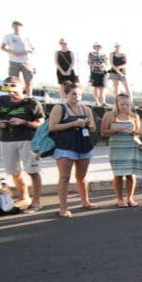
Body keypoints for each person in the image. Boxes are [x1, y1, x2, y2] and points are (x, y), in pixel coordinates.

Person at [0, 76, 44, 211]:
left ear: (22, 87)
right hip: (7, 139)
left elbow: (41, 124)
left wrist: (24, 122)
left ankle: (37, 201)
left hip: (27, 139)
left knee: (33, 171)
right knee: (14, 171)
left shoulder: (32, 103)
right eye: (8, 88)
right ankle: (24, 196)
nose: (11, 93)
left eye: (14, 88)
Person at [49, 82, 97, 218]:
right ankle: (63, 207)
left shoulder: (86, 109)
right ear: (66, 94)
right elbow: (52, 127)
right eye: (73, 94)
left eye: (79, 94)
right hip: (65, 146)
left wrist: (89, 124)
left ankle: (85, 201)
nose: (77, 96)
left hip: (83, 145)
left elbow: (93, 129)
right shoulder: (59, 108)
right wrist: (73, 124)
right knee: (64, 177)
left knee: (81, 176)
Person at [100, 93, 142, 208]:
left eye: (127, 104)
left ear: (130, 104)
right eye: (122, 104)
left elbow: (139, 133)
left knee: (130, 174)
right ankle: (119, 199)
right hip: (116, 148)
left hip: (130, 147)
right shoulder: (110, 115)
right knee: (118, 174)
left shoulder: (134, 116)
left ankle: (130, 198)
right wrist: (116, 129)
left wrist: (132, 132)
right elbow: (103, 131)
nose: (124, 107)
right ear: (117, 104)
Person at [1, 21, 35, 97]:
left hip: (26, 61)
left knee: (28, 80)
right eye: (15, 25)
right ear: (12, 26)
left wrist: (27, 51)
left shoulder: (26, 37)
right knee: (12, 80)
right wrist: (11, 51)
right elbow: (2, 47)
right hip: (13, 61)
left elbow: (34, 50)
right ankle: (13, 96)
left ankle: (29, 96)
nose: (17, 27)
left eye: (19, 26)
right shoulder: (8, 36)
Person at [88, 43, 108, 107]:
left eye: (99, 46)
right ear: (95, 47)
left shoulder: (104, 54)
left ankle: (103, 102)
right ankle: (97, 101)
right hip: (94, 72)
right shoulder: (91, 54)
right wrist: (95, 64)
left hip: (102, 72)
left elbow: (106, 63)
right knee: (96, 87)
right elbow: (89, 62)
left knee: (103, 87)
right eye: (97, 46)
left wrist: (102, 65)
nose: (98, 47)